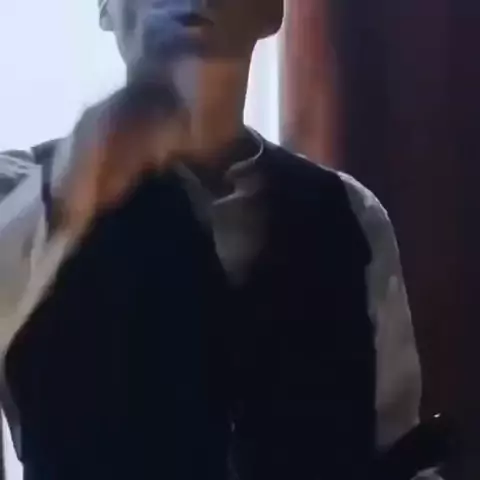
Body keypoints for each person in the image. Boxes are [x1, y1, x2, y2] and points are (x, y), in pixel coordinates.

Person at [0, 0, 426, 479]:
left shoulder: (351, 216)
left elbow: (399, 452)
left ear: (271, 10)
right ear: (105, 6)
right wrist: (67, 193)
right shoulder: (18, 193)